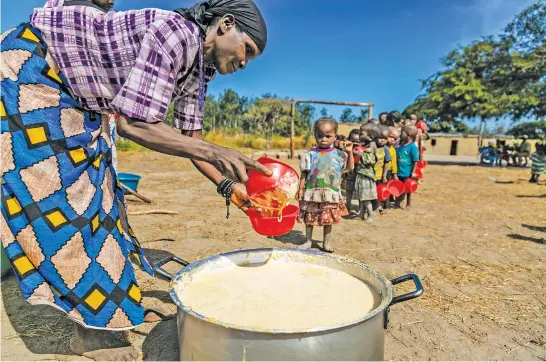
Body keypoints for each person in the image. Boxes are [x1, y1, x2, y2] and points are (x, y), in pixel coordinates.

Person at [1, 0, 270, 359]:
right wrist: (217, 153)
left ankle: (111, 311)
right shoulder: (174, 33)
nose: (243, 62)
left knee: (106, 204)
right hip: (31, 71)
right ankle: (92, 332)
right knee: (66, 205)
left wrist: (228, 186)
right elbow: (134, 124)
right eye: (246, 49)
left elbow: (192, 142)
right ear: (226, 25)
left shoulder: (198, 71)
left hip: (81, 102)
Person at [296, 118, 354, 253]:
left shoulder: (339, 155)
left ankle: (326, 243)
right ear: (315, 136)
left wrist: (350, 151)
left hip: (330, 193)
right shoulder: (310, 154)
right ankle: (308, 241)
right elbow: (304, 172)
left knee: (328, 220)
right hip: (312, 192)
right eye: (320, 135)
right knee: (309, 218)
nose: (323, 139)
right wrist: (300, 189)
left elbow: (350, 167)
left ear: (335, 136)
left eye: (328, 136)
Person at [354, 123, 379, 223]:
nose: (359, 135)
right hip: (361, 174)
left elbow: (369, 161)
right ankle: (361, 214)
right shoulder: (366, 145)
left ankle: (371, 214)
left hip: (366, 176)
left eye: (361, 133)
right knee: (362, 196)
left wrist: (359, 154)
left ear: (370, 137)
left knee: (366, 197)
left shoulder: (372, 146)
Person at [395, 125, 420, 209]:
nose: (400, 134)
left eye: (401, 132)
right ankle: (398, 202)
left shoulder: (412, 147)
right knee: (398, 187)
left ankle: (408, 203)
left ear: (408, 134)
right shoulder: (401, 145)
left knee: (408, 189)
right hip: (399, 171)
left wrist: (413, 172)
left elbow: (415, 160)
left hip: (407, 172)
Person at [374, 126, 391, 213]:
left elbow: (386, 163)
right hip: (370, 175)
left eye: (385, 138)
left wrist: (384, 176)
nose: (383, 140)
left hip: (379, 175)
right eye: (380, 138)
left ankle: (378, 207)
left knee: (379, 192)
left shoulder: (386, 149)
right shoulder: (372, 147)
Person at [344, 129, 361, 213]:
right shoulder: (347, 150)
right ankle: (348, 207)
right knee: (349, 192)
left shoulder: (363, 150)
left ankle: (361, 208)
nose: (356, 143)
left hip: (360, 175)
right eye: (353, 141)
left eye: (358, 141)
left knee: (360, 193)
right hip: (350, 174)